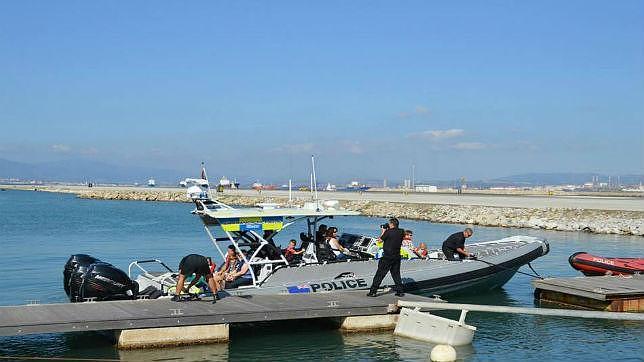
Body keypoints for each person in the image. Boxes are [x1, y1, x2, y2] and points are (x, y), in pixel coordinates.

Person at [367, 218, 405, 297]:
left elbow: (380, 240)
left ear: (391, 224)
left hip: (387, 256)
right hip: (397, 256)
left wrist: (384, 231)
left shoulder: (388, 232)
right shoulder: (402, 231)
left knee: (380, 274)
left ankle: (373, 292)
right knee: (396, 274)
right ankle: (400, 291)